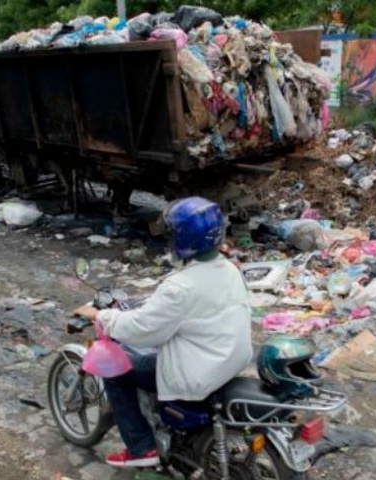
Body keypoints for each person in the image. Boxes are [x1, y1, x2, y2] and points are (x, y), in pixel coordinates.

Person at [73, 196, 252, 468]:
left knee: (115, 372)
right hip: (229, 359)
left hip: (197, 371)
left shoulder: (179, 287)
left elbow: (141, 330)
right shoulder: (230, 269)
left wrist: (102, 316)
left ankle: (141, 448)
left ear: (182, 238)